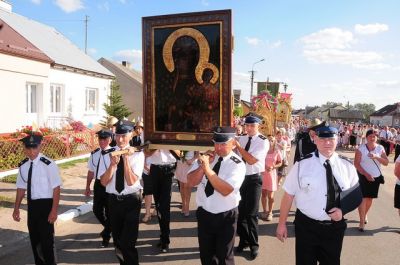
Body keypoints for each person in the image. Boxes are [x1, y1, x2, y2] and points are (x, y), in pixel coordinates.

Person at [276, 126, 360, 265]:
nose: (327, 143)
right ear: (315, 139)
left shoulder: (347, 166)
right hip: (306, 227)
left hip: (334, 229)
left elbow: (356, 195)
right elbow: (288, 195)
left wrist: (342, 210)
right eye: (322, 139)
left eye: (331, 139)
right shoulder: (302, 165)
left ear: (337, 139)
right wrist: (281, 224)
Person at [187, 126, 246, 265]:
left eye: (223, 144)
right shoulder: (206, 158)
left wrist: (207, 169)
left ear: (233, 143)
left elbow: (225, 190)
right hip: (205, 214)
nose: (218, 148)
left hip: (225, 216)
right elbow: (190, 181)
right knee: (206, 256)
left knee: (224, 257)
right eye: (216, 143)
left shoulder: (237, 164)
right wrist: (202, 166)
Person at [13, 133, 62, 265]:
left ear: (40, 146)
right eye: (28, 148)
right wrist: (16, 208)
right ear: (24, 148)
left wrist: (54, 210)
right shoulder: (23, 166)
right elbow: (21, 188)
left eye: (34, 147)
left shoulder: (48, 164)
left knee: (47, 242)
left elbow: (56, 188)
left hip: (46, 206)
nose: (31, 151)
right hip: (32, 206)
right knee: (35, 241)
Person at [100, 120, 145, 265]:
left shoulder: (138, 154)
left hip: (131, 201)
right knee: (118, 243)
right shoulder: (108, 153)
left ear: (131, 135)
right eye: (118, 135)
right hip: (114, 201)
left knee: (128, 243)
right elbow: (103, 182)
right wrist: (113, 165)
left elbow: (132, 181)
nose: (120, 139)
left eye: (124, 136)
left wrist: (125, 160)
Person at [234, 114, 269, 260]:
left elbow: (251, 160)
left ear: (258, 126)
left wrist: (238, 148)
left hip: (254, 179)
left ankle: (254, 245)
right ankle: (244, 241)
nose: (248, 128)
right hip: (241, 178)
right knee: (240, 213)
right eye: (247, 125)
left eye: (252, 126)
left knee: (252, 214)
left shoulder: (263, 141)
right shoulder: (241, 138)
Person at [84, 129, 114, 247]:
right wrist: (87, 186)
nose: (102, 141)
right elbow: (91, 171)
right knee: (97, 210)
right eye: (100, 139)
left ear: (110, 139)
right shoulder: (94, 154)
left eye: (104, 139)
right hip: (98, 184)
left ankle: (106, 236)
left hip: (110, 184)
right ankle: (109, 228)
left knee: (109, 211)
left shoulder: (115, 152)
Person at [355, 129, 389, 231]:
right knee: (363, 198)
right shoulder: (361, 148)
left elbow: (386, 162)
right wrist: (366, 174)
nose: (372, 138)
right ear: (366, 137)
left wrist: (377, 157)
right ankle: (361, 222)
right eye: (370, 136)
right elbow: (356, 164)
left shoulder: (380, 148)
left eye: (374, 136)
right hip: (362, 175)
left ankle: (364, 214)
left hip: (375, 177)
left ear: (377, 138)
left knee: (369, 198)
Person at [147, 149, 180, 252]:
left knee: (165, 206)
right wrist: (156, 146)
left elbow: (179, 154)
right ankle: (163, 235)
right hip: (155, 169)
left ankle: (165, 239)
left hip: (168, 169)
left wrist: (167, 146)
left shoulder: (171, 134)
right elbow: (146, 153)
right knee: (158, 206)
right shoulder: (150, 133)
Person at [260, 135, 282, 221]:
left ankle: (270, 212)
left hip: (272, 175)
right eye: (268, 140)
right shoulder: (263, 151)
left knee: (271, 196)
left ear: (275, 142)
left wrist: (274, 166)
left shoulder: (277, 151)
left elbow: (280, 162)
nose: (270, 142)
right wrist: (264, 166)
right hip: (263, 175)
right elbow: (258, 160)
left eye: (272, 140)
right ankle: (265, 211)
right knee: (263, 194)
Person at [175, 151, 199, 217]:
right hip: (181, 164)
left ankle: (187, 207)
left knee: (187, 187)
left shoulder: (194, 141)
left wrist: (192, 160)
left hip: (190, 165)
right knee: (182, 187)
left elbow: (197, 153)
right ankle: (183, 205)